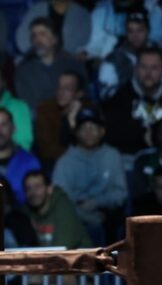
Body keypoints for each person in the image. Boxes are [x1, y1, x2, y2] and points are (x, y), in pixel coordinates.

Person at [52, 107, 127, 243]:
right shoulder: (65, 161)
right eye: (83, 128)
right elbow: (59, 199)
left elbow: (121, 194)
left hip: (107, 218)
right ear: (76, 133)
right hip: (75, 218)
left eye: (93, 127)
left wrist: (97, 202)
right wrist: (86, 215)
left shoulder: (112, 156)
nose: (88, 132)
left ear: (102, 131)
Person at [104, 46, 162, 159]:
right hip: (128, 161)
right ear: (136, 69)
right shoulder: (118, 100)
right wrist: (141, 136)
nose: (148, 73)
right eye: (143, 67)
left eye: (154, 68)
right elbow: (110, 137)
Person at [97, 10, 162, 100]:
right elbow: (105, 94)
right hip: (125, 108)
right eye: (131, 31)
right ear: (126, 33)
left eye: (140, 30)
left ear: (148, 31)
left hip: (158, 107)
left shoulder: (161, 55)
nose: (135, 36)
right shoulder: (113, 59)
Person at [14, 18, 85, 113]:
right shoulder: (23, 70)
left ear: (55, 39)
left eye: (43, 34)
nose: (37, 40)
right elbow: (27, 104)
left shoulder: (73, 65)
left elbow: (82, 95)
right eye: (34, 35)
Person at [21, 170, 91, 248]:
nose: (33, 192)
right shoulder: (25, 211)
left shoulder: (63, 206)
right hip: (48, 258)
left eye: (38, 186)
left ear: (49, 189)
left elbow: (61, 247)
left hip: (80, 258)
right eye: (28, 188)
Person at [33, 71, 88, 169]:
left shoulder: (88, 111)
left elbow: (91, 145)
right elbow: (48, 150)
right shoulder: (45, 110)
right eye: (59, 87)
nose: (60, 92)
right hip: (54, 166)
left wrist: (72, 121)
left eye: (67, 89)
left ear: (79, 94)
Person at [14, 0, 91, 56]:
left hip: (68, 61)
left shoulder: (81, 14)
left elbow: (84, 43)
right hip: (36, 57)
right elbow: (22, 37)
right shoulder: (38, 9)